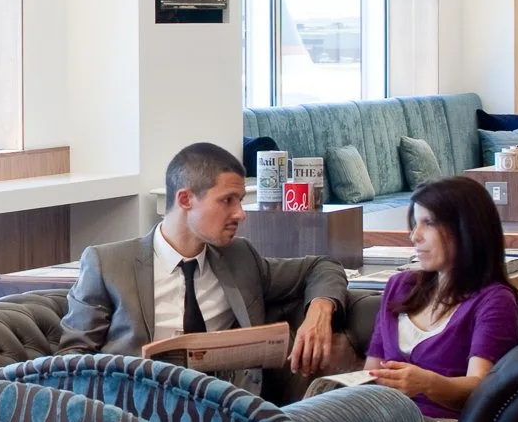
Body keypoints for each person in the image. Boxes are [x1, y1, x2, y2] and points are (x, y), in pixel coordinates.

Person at [61, 141, 353, 385]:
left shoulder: (241, 259)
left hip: (228, 416)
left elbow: (323, 266)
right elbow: (71, 359)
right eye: (228, 201)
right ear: (186, 199)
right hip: (136, 413)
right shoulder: (108, 263)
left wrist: (319, 311)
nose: (240, 213)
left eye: (240, 200)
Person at [362, 175, 518, 422]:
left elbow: (481, 389)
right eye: (414, 223)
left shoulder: (493, 300)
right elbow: (372, 372)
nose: (414, 235)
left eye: (427, 224)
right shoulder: (399, 286)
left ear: (465, 229)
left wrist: (426, 383)